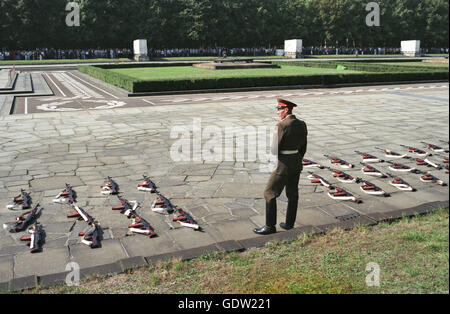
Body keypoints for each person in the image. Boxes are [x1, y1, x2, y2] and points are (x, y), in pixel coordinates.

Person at [254, 98, 308, 235]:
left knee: (269, 193)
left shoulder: (282, 125)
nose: (277, 112)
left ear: (286, 110)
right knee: (292, 194)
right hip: (296, 162)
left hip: (283, 165)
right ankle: (289, 223)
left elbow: (274, 150)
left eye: (279, 109)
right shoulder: (302, 124)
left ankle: (270, 226)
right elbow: (303, 147)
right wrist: (296, 158)